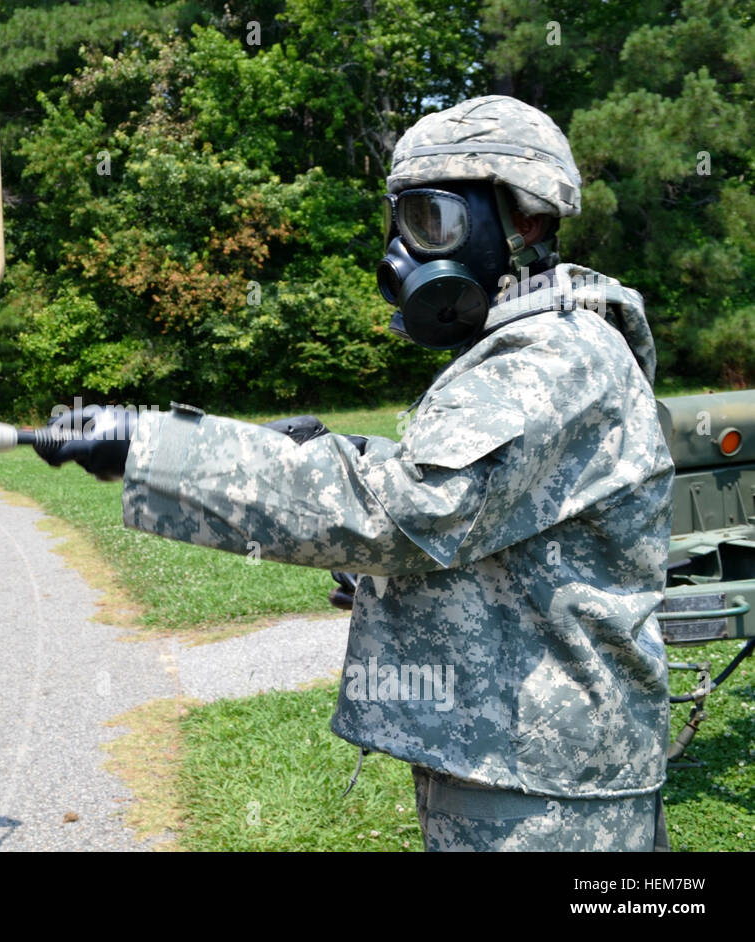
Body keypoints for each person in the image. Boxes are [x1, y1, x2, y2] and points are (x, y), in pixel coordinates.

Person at [35, 95, 675, 852]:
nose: (405, 254)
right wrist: (343, 450)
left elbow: (403, 511)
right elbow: (478, 497)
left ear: (525, 221)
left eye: (431, 223)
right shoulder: (529, 343)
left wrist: (153, 446)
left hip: (545, 790)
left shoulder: (554, 356)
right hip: (515, 762)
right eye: (400, 224)